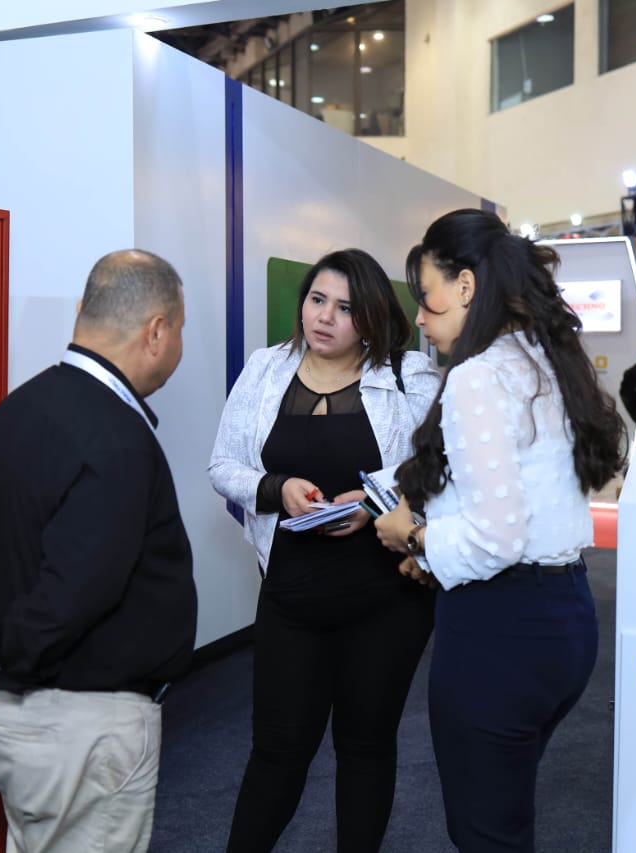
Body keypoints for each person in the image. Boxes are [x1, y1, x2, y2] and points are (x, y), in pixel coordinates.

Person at [0, 250, 197, 853]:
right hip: (81, 728)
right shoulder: (117, 439)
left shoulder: (15, 411)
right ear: (157, 331)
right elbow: (75, 592)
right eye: (181, 330)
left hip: (18, 723)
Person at [374, 209, 626, 853]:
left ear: (465, 287)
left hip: (500, 632)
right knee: (504, 818)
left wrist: (412, 534)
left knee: (486, 832)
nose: (422, 322)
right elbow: (529, 507)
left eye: (426, 301)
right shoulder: (545, 359)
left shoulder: (479, 377)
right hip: (565, 620)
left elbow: (496, 538)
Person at [209, 249, 440, 853]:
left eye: (345, 307)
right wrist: (276, 489)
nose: (326, 318)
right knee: (277, 750)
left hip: (385, 597)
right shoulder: (265, 369)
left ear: (370, 318)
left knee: (365, 746)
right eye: (318, 300)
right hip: (291, 595)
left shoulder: (406, 375)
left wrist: (372, 502)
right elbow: (223, 464)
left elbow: (438, 466)